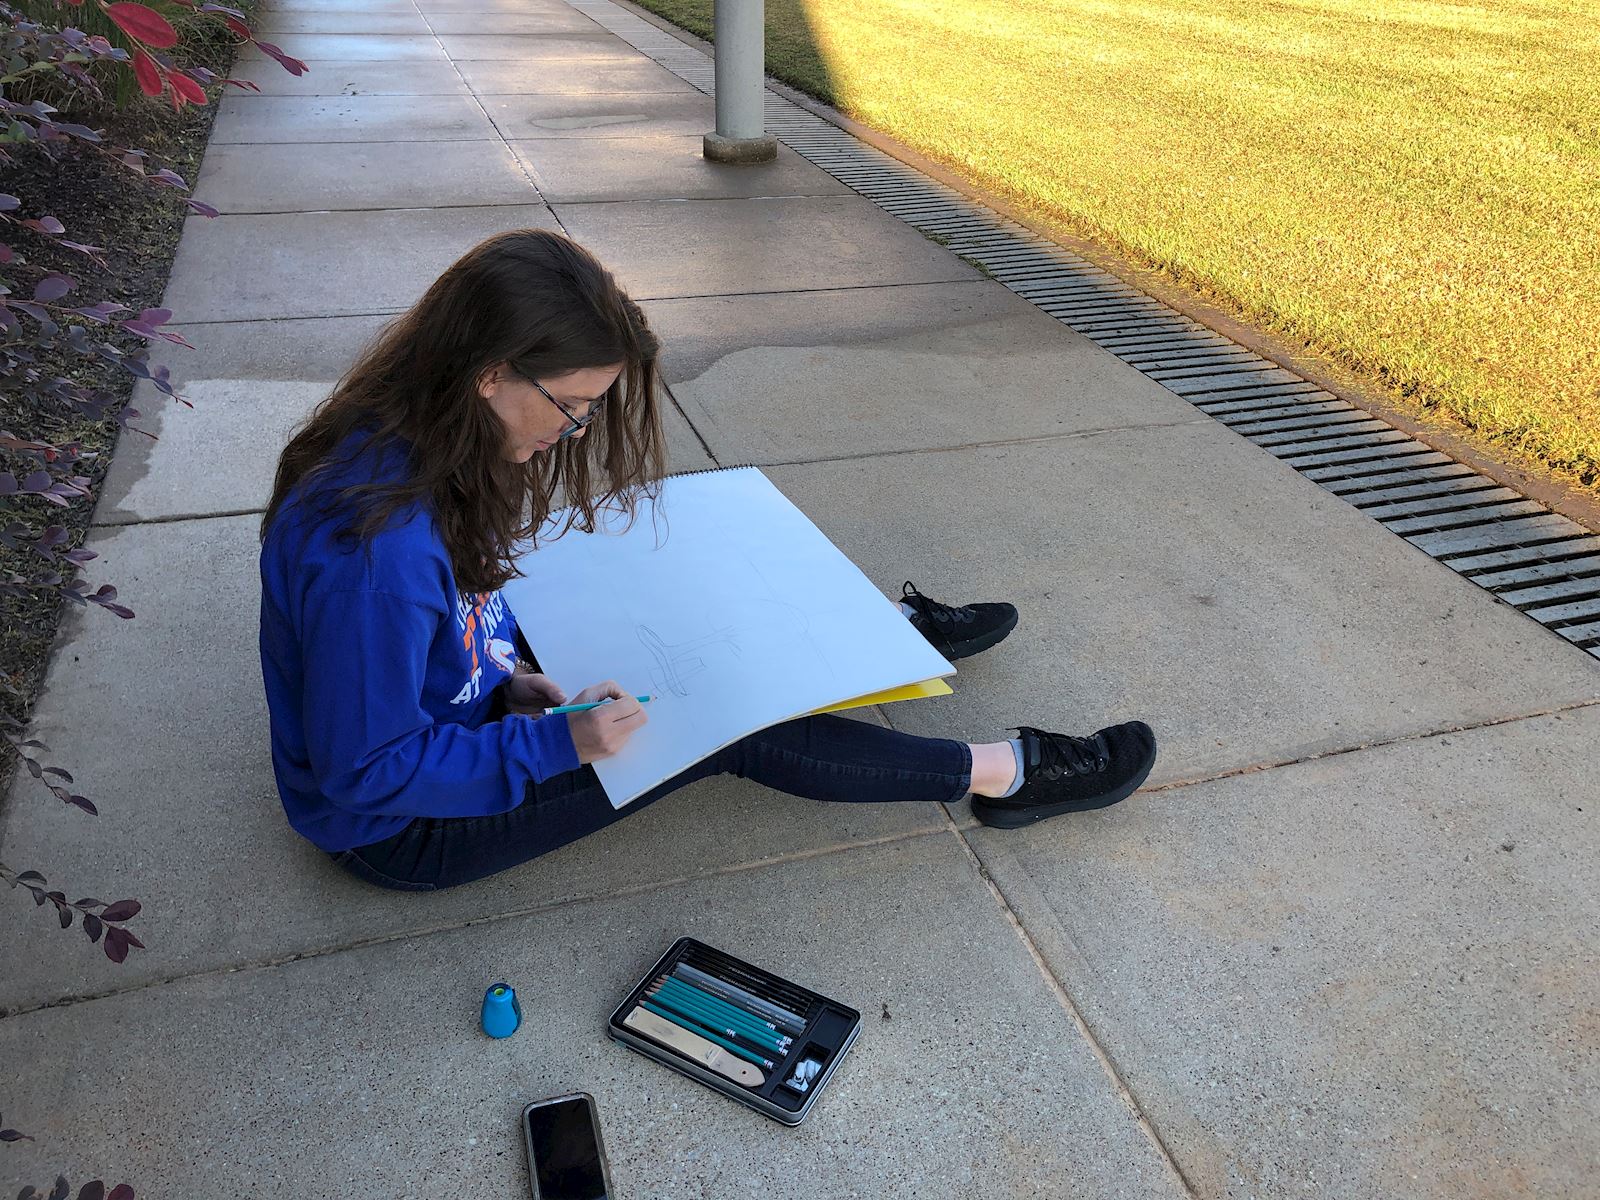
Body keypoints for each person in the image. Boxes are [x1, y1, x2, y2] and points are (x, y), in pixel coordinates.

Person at [258, 229, 1157, 892]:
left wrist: (502, 683)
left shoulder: (415, 443)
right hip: (403, 829)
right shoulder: (376, 550)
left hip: (461, 723)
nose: (576, 429)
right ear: (488, 372)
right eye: (571, 405)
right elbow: (363, 772)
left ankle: (874, 642)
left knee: (685, 602)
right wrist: (552, 743)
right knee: (729, 722)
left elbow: (436, 641)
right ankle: (1010, 771)